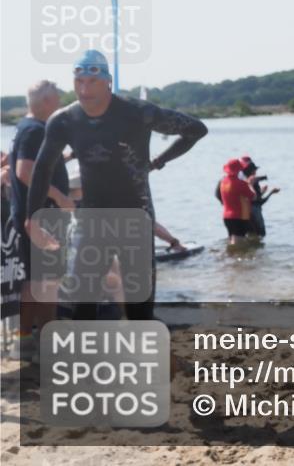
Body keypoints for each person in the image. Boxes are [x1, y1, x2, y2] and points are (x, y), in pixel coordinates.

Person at [26, 50, 207, 320]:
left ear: (108, 81)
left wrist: (158, 161)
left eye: (92, 81)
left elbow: (196, 129)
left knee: (139, 309)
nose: (84, 89)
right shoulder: (64, 120)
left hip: (135, 217)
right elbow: (43, 168)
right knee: (80, 304)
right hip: (92, 221)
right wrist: (32, 218)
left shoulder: (138, 112)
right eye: (79, 81)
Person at [8, 81, 75, 356]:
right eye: (58, 98)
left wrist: (66, 157)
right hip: (41, 216)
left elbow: (34, 166)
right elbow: (25, 172)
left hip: (32, 213)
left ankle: (24, 340)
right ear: (46, 101)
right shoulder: (35, 130)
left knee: (35, 280)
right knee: (47, 281)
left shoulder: (26, 128)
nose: (60, 103)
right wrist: (59, 197)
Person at [240, 156, 278, 238]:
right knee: (261, 234)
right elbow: (260, 202)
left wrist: (262, 192)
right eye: (254, 170)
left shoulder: (244, 182)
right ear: (251, 171)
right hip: (255, 211)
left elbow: (254, 198)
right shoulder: (251, 181)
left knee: (250, 235)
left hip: (246, 212)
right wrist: (271, 192)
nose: (256, 171)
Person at [218, 159, 254, 245]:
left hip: (226, 217)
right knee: (239, 243)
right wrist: (250, 184)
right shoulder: (241, 184)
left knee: (232, 241)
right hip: (238, 217)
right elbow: (253, 196)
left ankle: (230, 257)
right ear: (239, 170)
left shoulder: (223, 182)